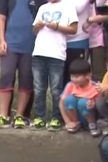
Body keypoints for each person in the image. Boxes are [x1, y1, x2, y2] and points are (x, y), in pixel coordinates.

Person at [0, 0, 39, 129]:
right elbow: (1, 18)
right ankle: (3, 115)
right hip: (10, 43)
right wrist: (1, 41)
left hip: (30, 45)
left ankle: (19, 116)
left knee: (26, 79)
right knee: (6, 76)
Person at [30, 0, 78, 131]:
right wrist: (38, 26)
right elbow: (34, 31)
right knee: (39, 88)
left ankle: (56, 118)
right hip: (39, 52)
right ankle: (40, 117)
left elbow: (74, 29)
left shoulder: (68, 6)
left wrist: (57, 26)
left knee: (56, 89)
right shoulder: (42, 8)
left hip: (57, 54)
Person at [59, 58, 100, 135]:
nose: (74, 79)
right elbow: (61, 103)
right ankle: (75, 124)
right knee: (69, 99)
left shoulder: (95, 86)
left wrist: (93, 104)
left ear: (87, 75)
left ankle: (92, 125)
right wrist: (67, 121)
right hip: (76, 118)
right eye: (72, 76)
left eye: (77, 77)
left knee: (82, 102)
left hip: (89, 116)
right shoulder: (70, 85)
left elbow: (100, 103)